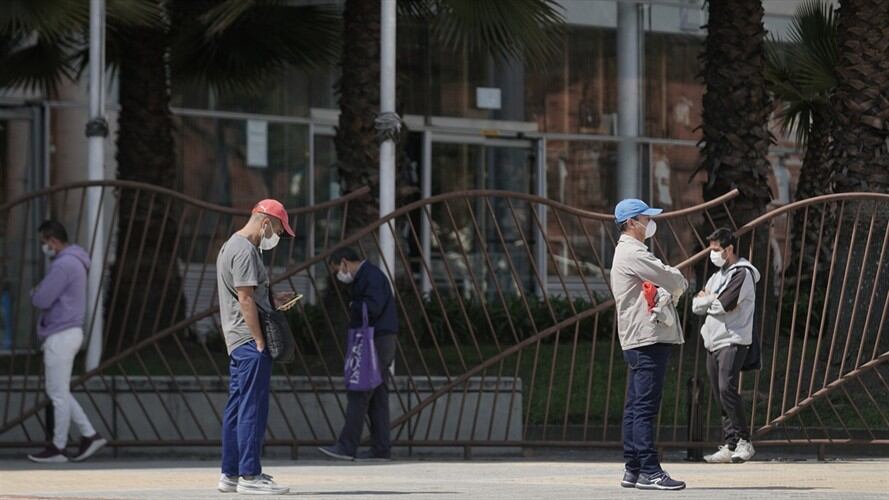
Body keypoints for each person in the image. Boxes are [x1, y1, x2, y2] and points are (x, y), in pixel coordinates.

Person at [216, 199, 297, 495]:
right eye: (277, 228)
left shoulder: (230, 246)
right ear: (265, 222)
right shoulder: (245, 250)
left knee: (237, 406)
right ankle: (250, 475)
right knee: (253, 406)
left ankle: (231, 473)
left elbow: (250, 295)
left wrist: (274, 300)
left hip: (238, 340)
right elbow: (245, 299)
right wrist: (260, 340)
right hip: (250, 341)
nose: (276, 235)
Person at [610, 199, 688, 491]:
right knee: (644, 406)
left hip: (637, 337)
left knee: (635, 406)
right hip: (646, 337)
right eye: (646, 218)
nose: (650, 223)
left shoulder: (628, 252)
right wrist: (678, 281)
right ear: (632, 222)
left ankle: (633, 468)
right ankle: (650, 471)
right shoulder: (633, 252)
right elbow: (671, 278)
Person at [27, 220, 107, 463]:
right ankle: (89, 435)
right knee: (59, 390)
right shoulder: (76, 262)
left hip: (60, 334)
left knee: (58, 393)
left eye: (44, 242)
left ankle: (59, 446)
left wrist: (35, 291)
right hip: (69, 332)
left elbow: (41, 298)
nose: (44, 247)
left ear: (53, 240)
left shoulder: (63, 265)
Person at [319, 247, 398, 461]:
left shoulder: (369, 276)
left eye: (338, 270)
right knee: (378, 395)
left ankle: (347, 446)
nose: (339, 275)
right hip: (380, 338)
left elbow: (371, 308)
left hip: (376, 340)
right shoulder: (370, 275)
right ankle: (381, 448)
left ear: (345, 262)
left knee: (360, 391)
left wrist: (354, 305)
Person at [692, 228, 760, 464]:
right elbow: (695, 305)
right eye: (711, 249)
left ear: (729, 248)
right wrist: (708, 300)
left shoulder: (743, 273)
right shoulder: (716, 276)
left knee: (726, 388)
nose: (713, 254)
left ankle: (744, 441)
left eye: (716, 249)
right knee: (719, 393)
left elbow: (724, 305)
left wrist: (707, 300)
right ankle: (730, 443)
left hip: (733, 338)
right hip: (712, 340)